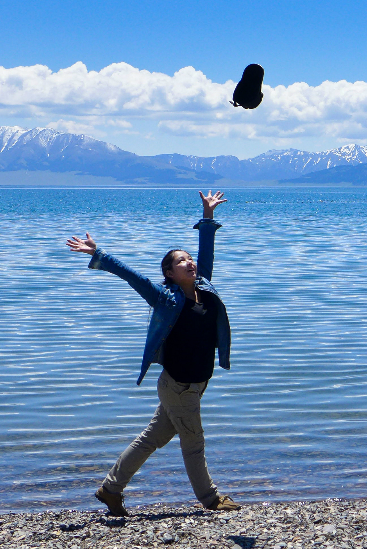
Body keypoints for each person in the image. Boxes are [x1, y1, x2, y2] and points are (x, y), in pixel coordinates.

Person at [66, 190, 240, 515]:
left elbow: (208, 250)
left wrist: (208, 216)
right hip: (179, 385)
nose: (189, 262)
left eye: (189, 258)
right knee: (194, 444)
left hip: (195, 384)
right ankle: (211, 499)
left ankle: (110, 489)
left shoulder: (205, 287)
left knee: (150, 440)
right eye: (180, 260)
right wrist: (99, 253)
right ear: (170, 274)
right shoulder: (164, 298)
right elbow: (131, 275)